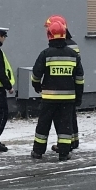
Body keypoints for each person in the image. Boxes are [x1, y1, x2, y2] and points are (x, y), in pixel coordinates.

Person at [31, 15, 84, 161]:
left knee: (43, 124)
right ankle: (64, 152)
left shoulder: (46, 54)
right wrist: (78, 97)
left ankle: (38, 151)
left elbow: (36, 74)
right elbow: (79, 79)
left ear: (49, 35)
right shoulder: (73, 54)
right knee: (65, 126)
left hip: (49, 97)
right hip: (68, 98)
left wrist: (37, 86)